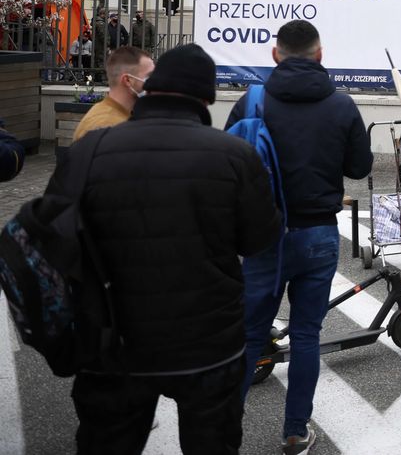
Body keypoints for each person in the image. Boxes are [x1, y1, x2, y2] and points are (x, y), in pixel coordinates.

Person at [53, 44, 280, 454]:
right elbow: (260, 241)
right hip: (208, 344)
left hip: (113, 343)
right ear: (207, 98)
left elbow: (53, 236)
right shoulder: (235, 156)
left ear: (149, 89)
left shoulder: (90, 150)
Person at [231, 19, 373, 454]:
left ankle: (222, 431)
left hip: (263, 236)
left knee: (251, 336)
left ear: (276, 54)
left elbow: (228, 159)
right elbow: (360, 168)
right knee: (307, 334)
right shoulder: (342, 105)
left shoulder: (253, 100)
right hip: (317, 234)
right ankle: (294, 432)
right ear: (320, 54)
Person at [73, 46, 154, 141]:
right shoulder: (107, 125)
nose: (154, 81)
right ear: (128, 80)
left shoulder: (118, 116)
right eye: (149, 76)